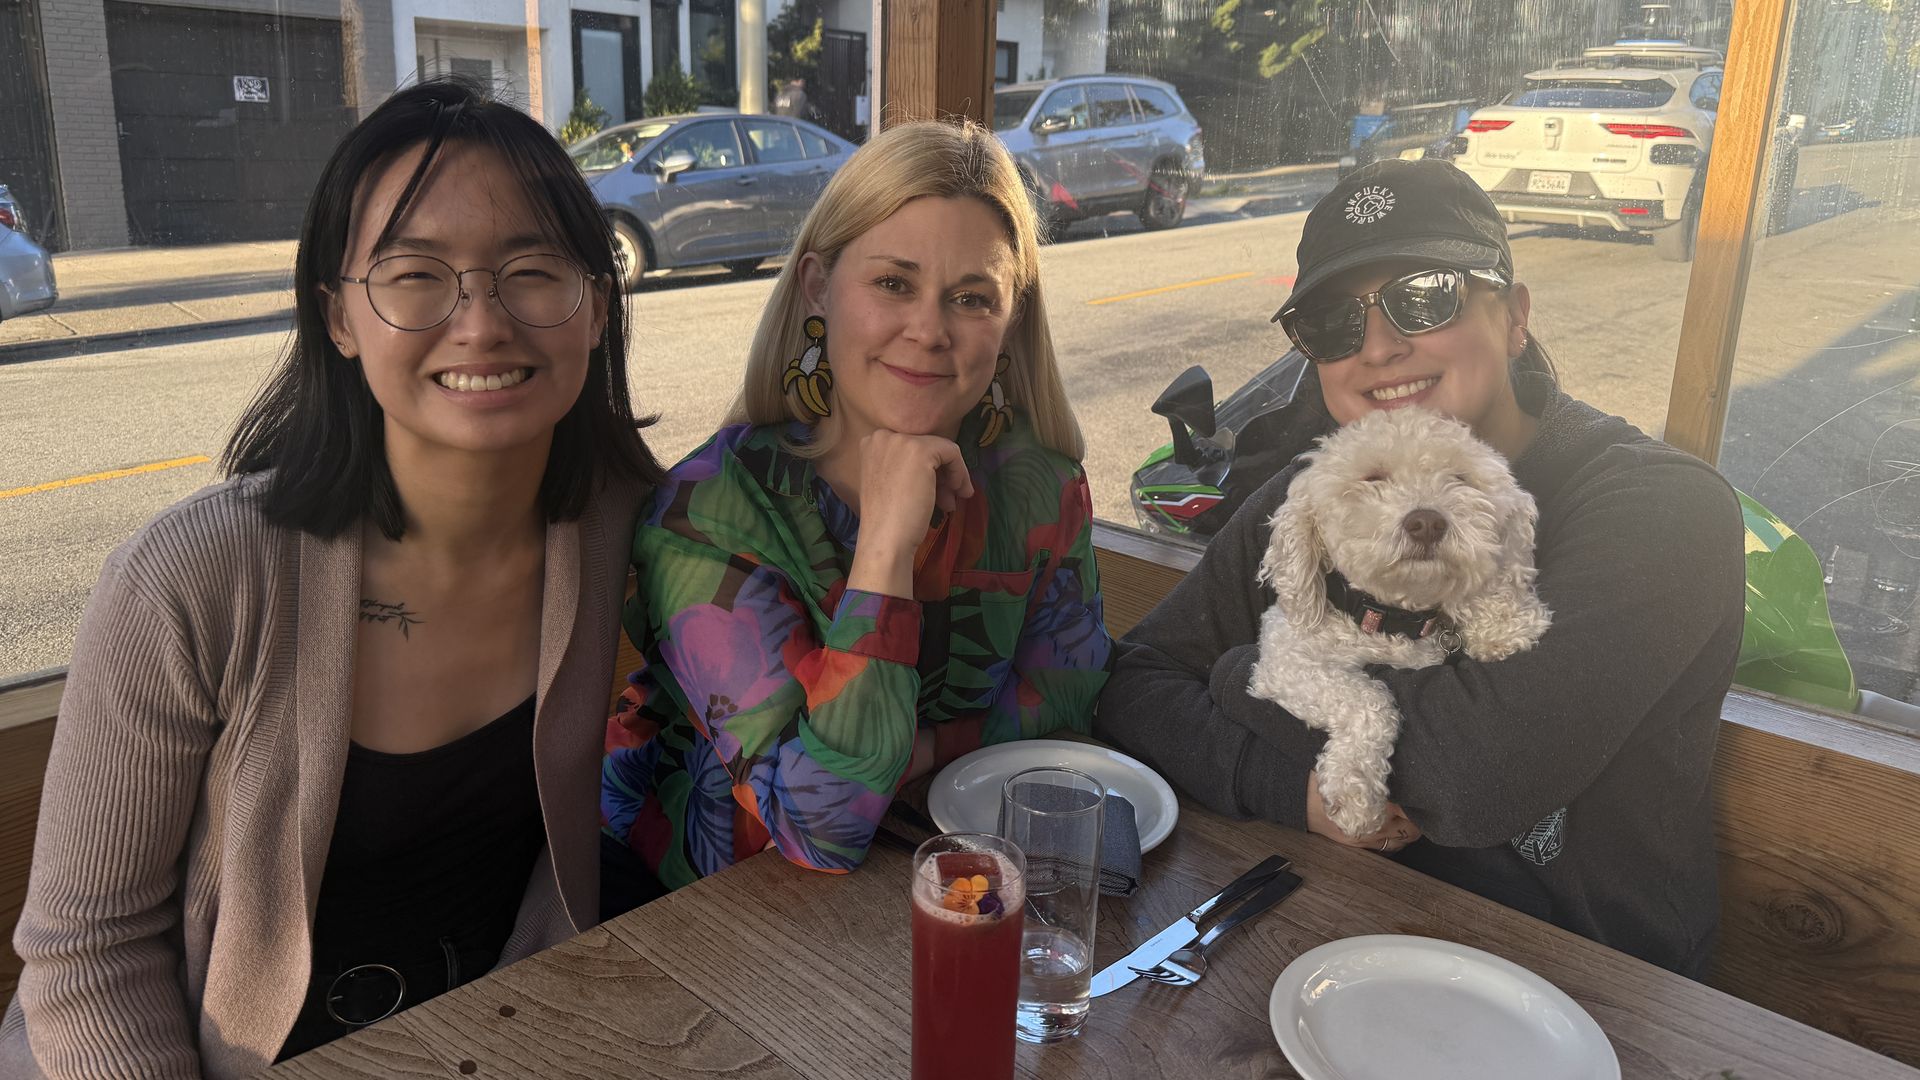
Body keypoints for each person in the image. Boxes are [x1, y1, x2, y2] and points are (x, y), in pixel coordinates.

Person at [0, 78, 664, 1078]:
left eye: (532, 270)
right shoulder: (197, 579)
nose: (481, 323)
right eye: (415, 276)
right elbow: (88, 959)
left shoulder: (633, 527)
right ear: (339, 318)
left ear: (596, 309)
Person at [1096, 159, 1744, 978]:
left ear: (1513, 316)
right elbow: (1137, 682)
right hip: (1344, 945)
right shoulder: (1317, 492)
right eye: (1333, 322)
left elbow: (1471, 777)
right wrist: (1289, 788)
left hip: (1587, 991)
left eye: (1427, 295)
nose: (1377, 346)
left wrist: (1241, 673)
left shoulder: (1662, 513)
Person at [601, 120, 1111, 894]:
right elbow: (820, 824)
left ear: (1010, 322)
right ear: (817, 287)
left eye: (972, 298)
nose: (928, 331)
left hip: (935, 879)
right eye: (893, 283)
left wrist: (926, 751)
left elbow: (1072, 686)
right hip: (705, 921)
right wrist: (884, 553)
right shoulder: (707, 510)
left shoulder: (1039, 483)